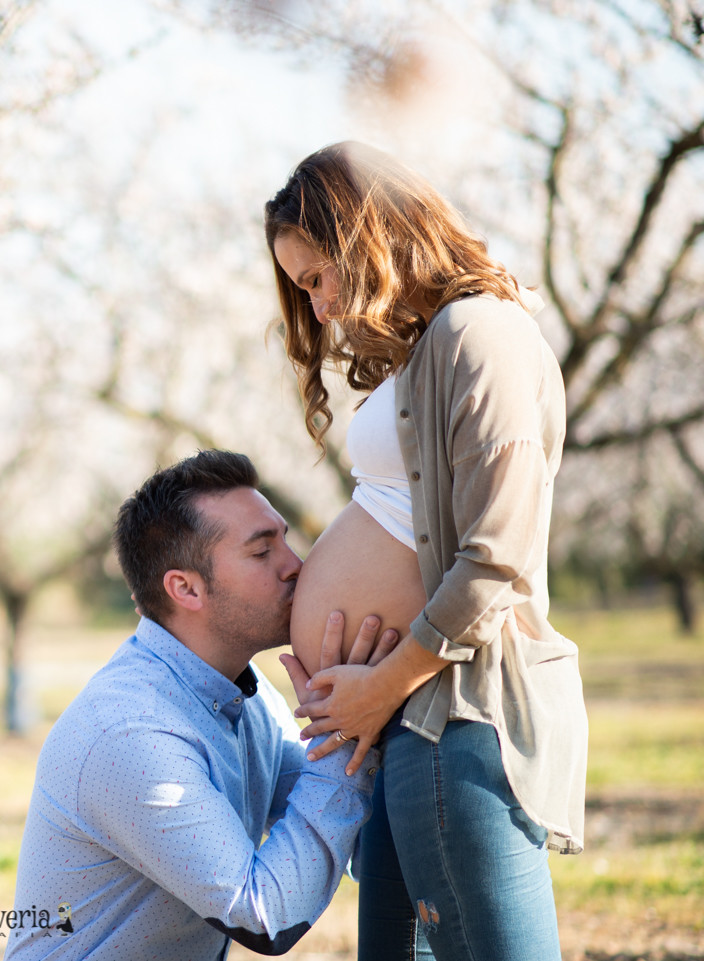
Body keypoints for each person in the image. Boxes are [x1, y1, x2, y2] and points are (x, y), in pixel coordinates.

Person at [263, 141, 588, 961]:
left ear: (365, 235)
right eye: (304, 290)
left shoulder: (481, 332)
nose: (320, 308)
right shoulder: (426, 347)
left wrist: (379, 686)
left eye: (317, 278)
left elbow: (495, 560)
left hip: (456, 712)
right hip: (407, 718)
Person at [5, 449, 396, 960]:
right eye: (262, 552)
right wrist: (343, 732)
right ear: (186, 588)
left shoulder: (247, 694)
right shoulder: (130, 733)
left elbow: (348, 827)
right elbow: (265, 916)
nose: (296, 567)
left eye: (285, 541)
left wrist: (382, 698)